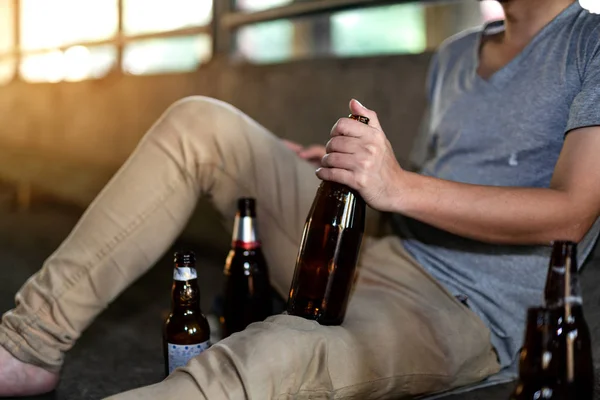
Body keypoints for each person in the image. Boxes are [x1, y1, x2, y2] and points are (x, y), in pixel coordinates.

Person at [1, 0, 599, 398]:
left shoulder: (590, 45)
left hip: (467, 312)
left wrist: (394, 184)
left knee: (271, 356)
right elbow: (439, 177)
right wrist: (350, 171)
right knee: (200, 124)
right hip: (379, 251)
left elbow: (572, 214)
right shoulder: (455, 56)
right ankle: (28, 345)